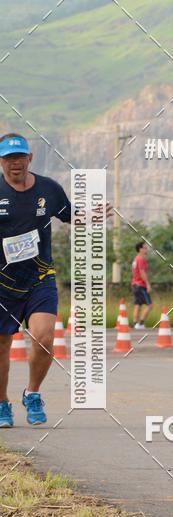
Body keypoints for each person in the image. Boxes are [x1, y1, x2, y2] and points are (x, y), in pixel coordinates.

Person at [0, 134, 71, 426]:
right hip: (3, 283)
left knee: (43, 337)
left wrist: (91, 216)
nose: (15, 163)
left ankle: (32, 393)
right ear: (1, 162)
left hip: (40, 277)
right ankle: (2, 404)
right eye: (8, 158)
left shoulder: (49, 189)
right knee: (2, 343)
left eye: (20, 157)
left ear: (30, 158)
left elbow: (70, 215)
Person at [131, 241, 153, 329]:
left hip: (135, 284)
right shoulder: (141, 259)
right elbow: (142, 272)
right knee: (150, 305)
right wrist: (147, 284)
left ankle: (135, 323)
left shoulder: (136, 259)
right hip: (140, 285)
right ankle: (140, 323)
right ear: (140, 249)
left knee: (138, 304)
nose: (146, 249)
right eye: (145, 247)